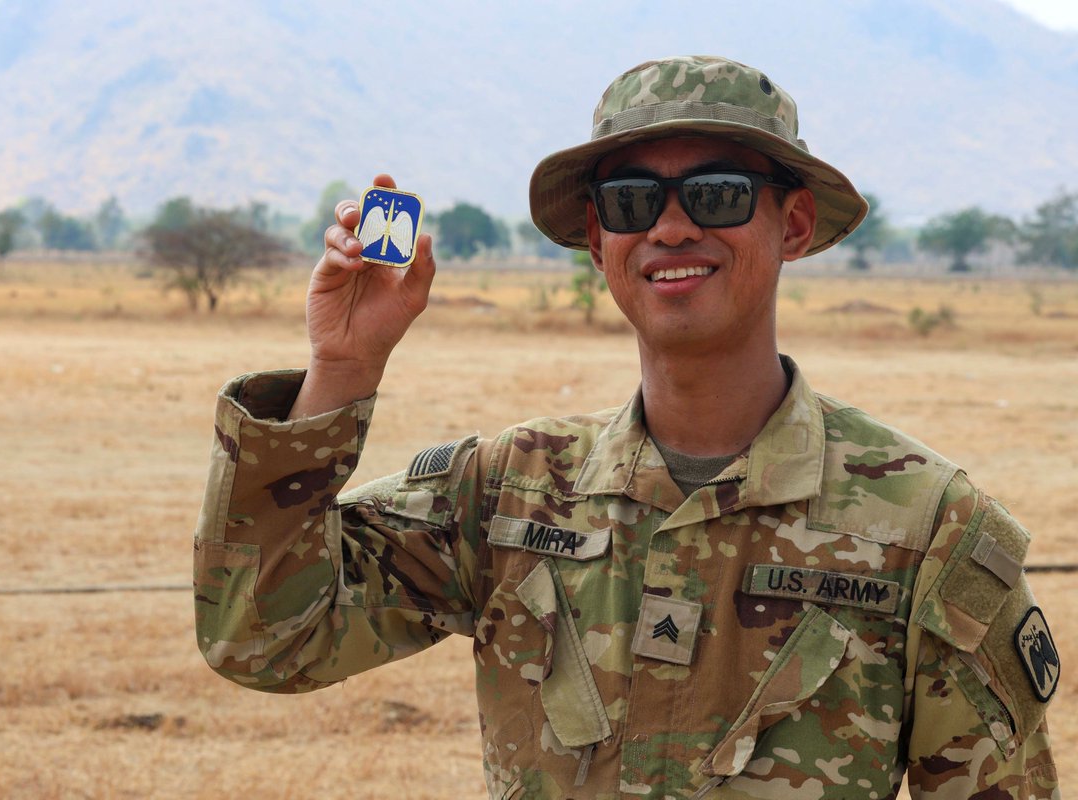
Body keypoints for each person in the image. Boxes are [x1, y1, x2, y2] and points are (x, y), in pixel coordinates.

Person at [193, 56, 1059, 798]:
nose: (671, 226)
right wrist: (343, 369)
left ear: (790, 226)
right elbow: (263, 636)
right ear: (598, 238)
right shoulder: (506, 489)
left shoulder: (925, 525)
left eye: (718, 195)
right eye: (632, 199)